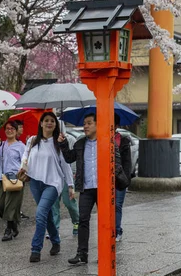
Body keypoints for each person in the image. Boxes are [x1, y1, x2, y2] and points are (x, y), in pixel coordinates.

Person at [61, 113, 124, 265]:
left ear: (97, 125)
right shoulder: (80, 143)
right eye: (84, 123)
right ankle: (82, 253)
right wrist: (62, 144)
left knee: (105, 221)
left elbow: (117, 162)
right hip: (87, 188)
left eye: (89, 123)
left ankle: (106, 252)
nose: (86, 126)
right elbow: (70, 158)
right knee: (83, 220)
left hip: (104, 188)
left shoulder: (107, 142)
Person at [21, 112, 75, 263]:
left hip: (53, 183)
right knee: (47, 214)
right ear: (41, 123)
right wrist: (22, 167)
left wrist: (70, 185)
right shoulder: (32, 140)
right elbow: (25, 156)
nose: (49, 123)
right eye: (46, 120)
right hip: (35, 182)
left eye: (52, 121)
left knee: (40, 213)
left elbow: (66, 165)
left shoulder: (59, 143)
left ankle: (35, 249)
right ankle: (56, 241)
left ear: (55, 125)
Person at [0, 119, 26, 242]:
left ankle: (9, 230)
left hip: (15, 179)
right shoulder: (1, 145)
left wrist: (22, 173)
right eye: (7, 129)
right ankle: (14, 225)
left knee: (10, 205)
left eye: (12, 129)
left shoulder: (21, 146)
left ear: (16, 131)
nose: (9, 131)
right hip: (1, 178)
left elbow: (25, 163)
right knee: (1, 206)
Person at [48, 132, 80, 238]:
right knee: (54, 204)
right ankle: (54, 228)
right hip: (53, 177)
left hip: (67, 176)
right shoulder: (47, 140)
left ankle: (77, 221)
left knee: (69, 202)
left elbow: (73, 156)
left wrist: (74, 172)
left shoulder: (69, 139)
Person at [114, 115, 132, 243]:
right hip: (104, 178)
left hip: (120, 177)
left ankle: (117, 230)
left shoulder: (123, 140)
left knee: (117, 205)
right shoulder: (99, 138)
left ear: (117, 126)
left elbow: (127, 162)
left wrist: (126, 179)